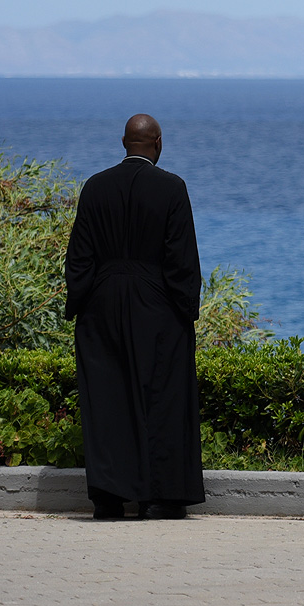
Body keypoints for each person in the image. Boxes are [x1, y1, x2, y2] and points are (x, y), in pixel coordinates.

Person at [64, 114, 206, 521]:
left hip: (101, 304)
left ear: (123, 143)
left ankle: (109, 497)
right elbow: (181, 261)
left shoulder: (95, 187)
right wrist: (185, 311)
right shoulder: (172, 188)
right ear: (158, 144)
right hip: (158, 306)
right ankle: (158, 498)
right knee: (161, 397)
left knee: (107, 399)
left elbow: (79, 257)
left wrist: (81, 304)